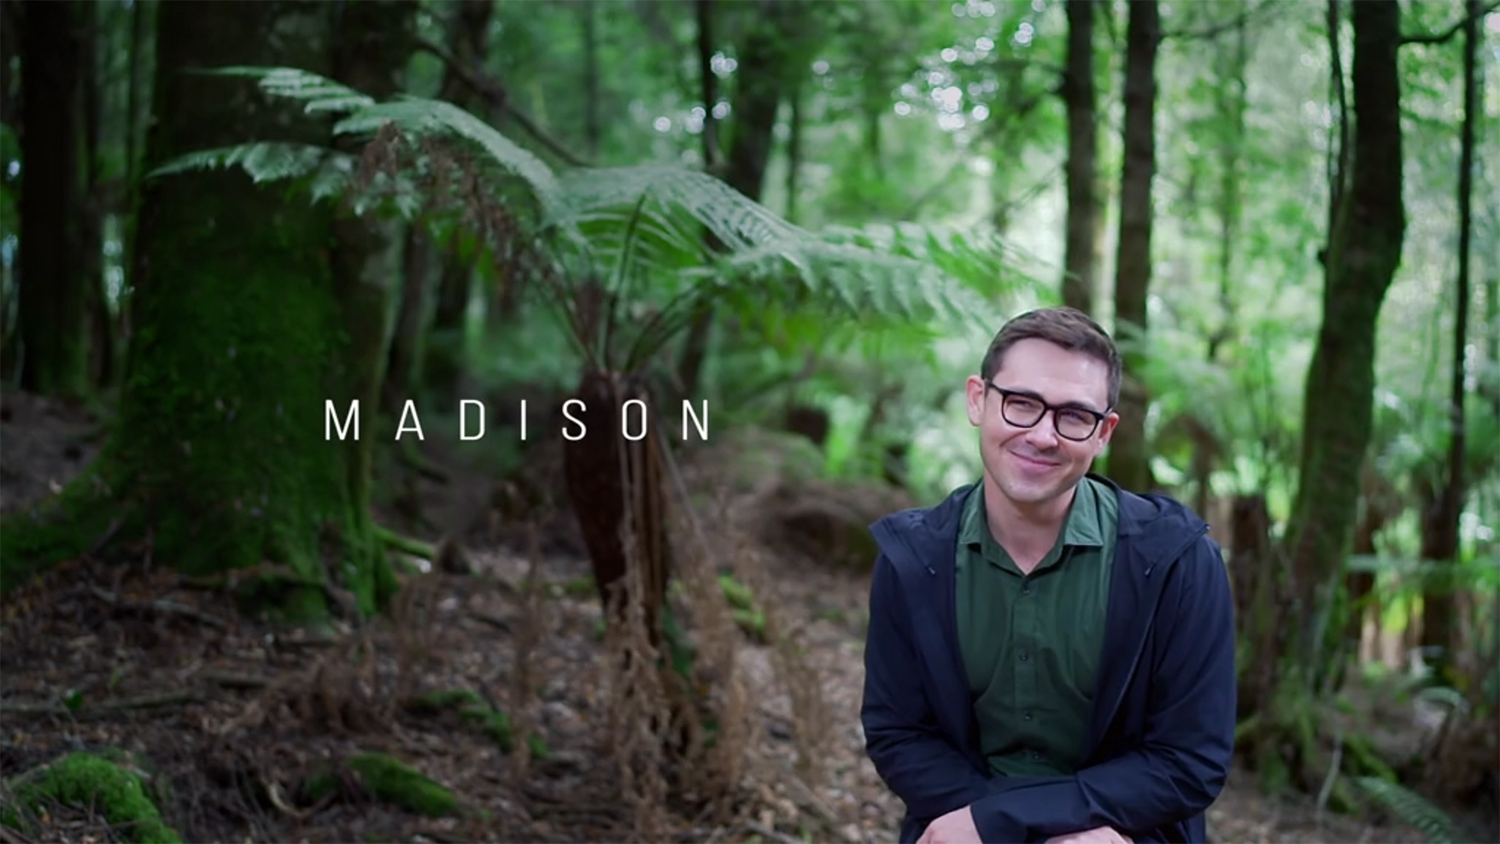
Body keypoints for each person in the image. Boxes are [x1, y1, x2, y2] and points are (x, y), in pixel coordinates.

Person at [860, 307, 1236, 844]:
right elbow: (899, 733)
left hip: (1123, 834)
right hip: (958, 827)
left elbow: (1189, 760)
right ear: (978, 399)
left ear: (1104, 432)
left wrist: (1020, 823)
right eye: (1021, 404)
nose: (1042, 435)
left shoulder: (1179, 561)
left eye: (1074, 416)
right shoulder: (911, 558)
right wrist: (999, 826)